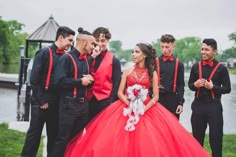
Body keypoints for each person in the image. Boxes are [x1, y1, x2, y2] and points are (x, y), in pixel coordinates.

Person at [64, 43, 210, 157]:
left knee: (151, 142)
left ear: (144, 55)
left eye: (137, 52)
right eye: (133, 51)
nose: (133, 54)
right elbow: (120, 92)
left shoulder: (152, 72)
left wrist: (143, 109)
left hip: (147, 109)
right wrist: (131, 106)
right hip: (125, 107)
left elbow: (156, 96)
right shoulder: (127, 71)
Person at [21, 26, 75, 157]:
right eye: (69, 40)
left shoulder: (66, 57)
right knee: (34, 136)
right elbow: (34, 79)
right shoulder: (44, 53)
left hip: (56, 104)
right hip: (41, 102)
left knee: (54, 137)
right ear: (60, 37)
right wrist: (42, 100)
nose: (71, 44)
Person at [49, 27, 96, 157]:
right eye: (92, 44)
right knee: (62, 140)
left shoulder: (86, 60)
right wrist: (80, 81)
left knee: (77, 140)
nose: (94, 47)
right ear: (82, 42)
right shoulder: (66, 58)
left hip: (83, 106)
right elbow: (58, 82)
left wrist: (90, 80)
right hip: (68, 105)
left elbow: (84, 81)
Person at [188, 38, 231, 157]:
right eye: (202, 49)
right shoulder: (195, 67)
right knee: (196, 140)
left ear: (214, 51)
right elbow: (190, 85)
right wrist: (195, 85)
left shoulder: (222, 69)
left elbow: (227, 89)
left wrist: (213, 87)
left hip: (214, 107)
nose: (203, 52)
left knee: (216, 140)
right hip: (198, 106)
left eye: (207, 49)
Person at [87, 27, 121, 121]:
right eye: (97, 40)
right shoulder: (88, 57)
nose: (99, 43)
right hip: (87, 100)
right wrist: (92, 57)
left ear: (108, 40)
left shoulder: (114, 60)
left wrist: (111, 102)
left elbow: (116, 83)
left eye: (103, 40)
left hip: (104, 101)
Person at [156, 34, 185, 119]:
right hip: (158, 99)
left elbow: (181, 85)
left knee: (173, 127)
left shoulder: (179, 64)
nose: (164, 50)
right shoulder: (155, 62)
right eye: (162, 47)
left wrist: (180, 103)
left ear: (173, 46)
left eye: (167, 47)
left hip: (173, 100)